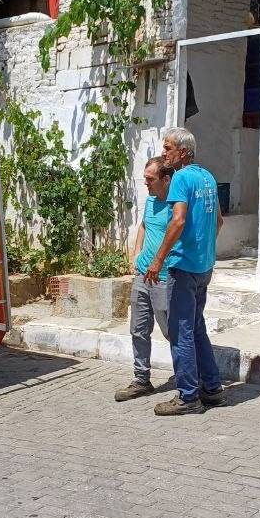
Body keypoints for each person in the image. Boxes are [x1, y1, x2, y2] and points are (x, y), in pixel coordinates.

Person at [144, 127, 225, 415]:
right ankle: (213, 388)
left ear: (183, 153)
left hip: (183, 267)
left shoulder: (180, 178)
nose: (164, 153)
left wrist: (158, 260)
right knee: (197, 327)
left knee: (182, 332)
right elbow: (218, 222)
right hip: (204, 267)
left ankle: (188, 397)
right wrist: (205, 251)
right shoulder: (208, 178)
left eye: (168, 148)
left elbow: (177, 221)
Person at [115, 157, 177, 402]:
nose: (146, 184)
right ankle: (141, 379)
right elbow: (144, 226)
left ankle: (188, 378)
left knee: (171, 331)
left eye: (150, 179)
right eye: (145, 178)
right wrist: (137, 252)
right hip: (143, 274)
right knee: (138, 329)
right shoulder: (151, 201)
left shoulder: (176, 206)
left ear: (166, 179)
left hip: (164, 277)